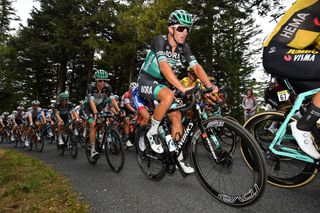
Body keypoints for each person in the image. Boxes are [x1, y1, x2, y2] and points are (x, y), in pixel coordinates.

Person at [138, 9, 217, 173]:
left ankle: (179, 157)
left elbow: (196, 67)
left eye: (188, 29)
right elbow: (164, 66)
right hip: (146, 80)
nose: (185, 32)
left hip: (162, 83)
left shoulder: (184, 48)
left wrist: (209, 86)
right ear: (171, 29)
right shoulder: (159, 40)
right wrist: (181, 88)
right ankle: (152, 132)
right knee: (168, 95)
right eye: (181, 28)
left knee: (176, 116)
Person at [263, 0, 320, 159]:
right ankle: (303, 126)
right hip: (279, 53)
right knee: (286, 105)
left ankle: (309, 122)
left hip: (293, 58)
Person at [81, 69, 120, 158]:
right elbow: (91, 101)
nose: (102, 83)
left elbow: (112, 99)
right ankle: (92, 149)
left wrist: (118, 110)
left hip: (99, 107)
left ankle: (97, 137)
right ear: (96, 80)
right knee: (93, 124)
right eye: (100, 80)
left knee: (103, 122)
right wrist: (95, 113)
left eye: (104, 81)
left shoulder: (108, 87)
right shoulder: (91, 87)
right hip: (88, 108)